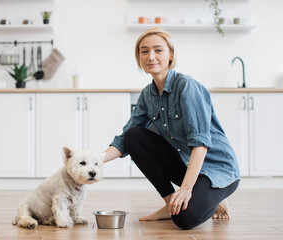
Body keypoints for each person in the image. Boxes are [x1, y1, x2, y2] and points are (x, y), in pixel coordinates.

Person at [103, 27, 240, 230]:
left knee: (185, 219)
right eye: (144, 51)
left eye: (158, 50)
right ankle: (169, 204)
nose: (151, 56)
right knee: (135, 136)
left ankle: (214, 196)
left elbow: (200, 144)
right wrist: (91, 161)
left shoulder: (187, 86)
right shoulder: (147, 95)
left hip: (216, 170)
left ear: (171, 55)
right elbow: (125, 139)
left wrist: (185, 190)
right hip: (184, 165)